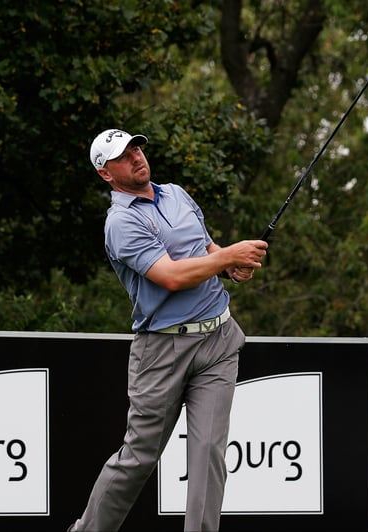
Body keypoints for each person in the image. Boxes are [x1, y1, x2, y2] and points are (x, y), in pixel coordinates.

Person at [68, 129, 268, 531]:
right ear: (106, 174)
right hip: (162, 350)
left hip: (219, 340)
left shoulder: (176, 194)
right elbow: (172, 276)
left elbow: (203, 247)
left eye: (136, 148)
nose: (136, 157)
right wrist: (227, 256)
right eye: (124, 156)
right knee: (138, 457)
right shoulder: (120, 223)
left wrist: (227, 263)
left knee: (208, 452)